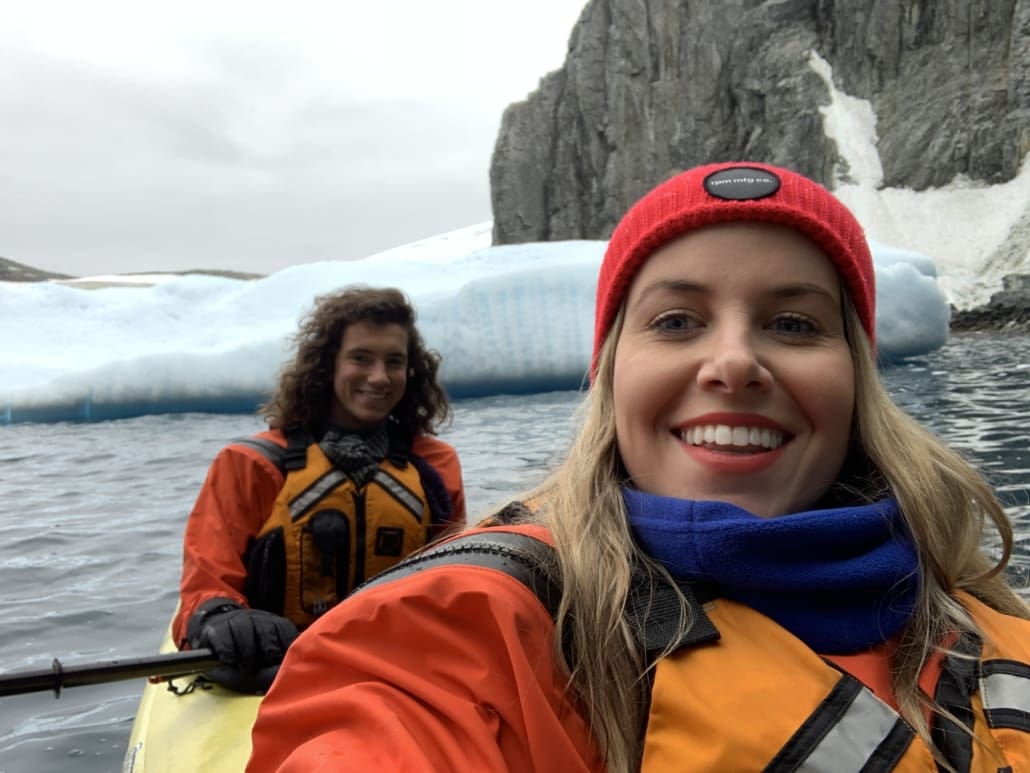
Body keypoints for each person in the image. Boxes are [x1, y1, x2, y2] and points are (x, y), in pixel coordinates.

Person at [246, 163, 1030, 771]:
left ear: (858, 377)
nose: (733, 361)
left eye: (794, 323)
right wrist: (219, 613)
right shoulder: (481, 633)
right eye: (676, 320)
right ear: (613, 370)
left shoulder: (981, 616)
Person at [172, 285, 466, 693]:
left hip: (393, 670)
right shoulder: (253, 463)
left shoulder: (435, 466)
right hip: (275, 672)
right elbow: (207, 583)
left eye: (394, 362)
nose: (379, 377)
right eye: (361, 358)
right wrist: (220, 616)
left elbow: (452, 584)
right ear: (328, 365)